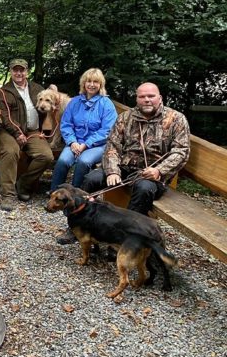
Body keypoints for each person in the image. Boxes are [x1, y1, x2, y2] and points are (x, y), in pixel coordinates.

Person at [72, 82, 191, 243]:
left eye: (151, 96)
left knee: (144, 190)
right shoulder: (125, 117)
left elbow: (181, 151)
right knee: (91, 179)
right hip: (124, 167)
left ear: (160, 98)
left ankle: (126, 240)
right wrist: (113, 170)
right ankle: (77, 228)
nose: (147, 100)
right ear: (137, 99)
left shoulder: (176, 119)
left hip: (151, 175)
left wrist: (159, 170)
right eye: (142, 97)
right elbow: (112, 145)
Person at [0, 58, 54, 212]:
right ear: (11, 71)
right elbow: (5, 117)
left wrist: (46, 130)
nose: (19, 73)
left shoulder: (37, 88)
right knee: (10, 151)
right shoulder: (4, 92)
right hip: (8, 131)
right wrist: (17, 133)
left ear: (27, 72)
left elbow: (50, 105)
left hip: (33, 131)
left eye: (22, 70)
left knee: (46, 156)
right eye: (15, 70)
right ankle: (8, 195)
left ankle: (23, 185)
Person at [50, 68, 117, 192]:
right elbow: (66, 124)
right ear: (83, 83)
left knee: (83, 161)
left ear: (100, 84)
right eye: (88, 81)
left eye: (95, 82)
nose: (92, 85)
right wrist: (72, 141)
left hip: (97, 144)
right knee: (63, 160)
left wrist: (86, 144)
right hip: (75, 142)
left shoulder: (106, 104)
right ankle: (55, 192)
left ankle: (76, 194)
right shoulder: (75, 102)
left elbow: (107, 130)